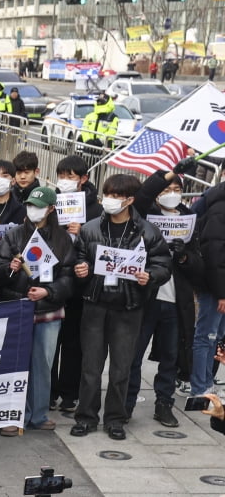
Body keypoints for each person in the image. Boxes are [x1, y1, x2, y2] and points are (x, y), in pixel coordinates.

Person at [70, 174, 171, 441]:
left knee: (121, 368)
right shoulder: (91, 228)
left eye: (116, 196)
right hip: (95, 304)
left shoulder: (147, 232)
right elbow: (78, 257)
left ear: (130, 200)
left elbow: (163, 265)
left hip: (129, 306)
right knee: (90, 366)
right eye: (108, 194)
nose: (110, 200)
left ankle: (115, 418)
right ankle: (86, 416)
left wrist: (150, 276)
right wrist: (80, 268)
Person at [0, 187, 75, 434]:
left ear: (50, 209)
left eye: (39, 206)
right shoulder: (14, 235)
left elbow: (69, 276)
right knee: (15, 364)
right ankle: (13, 415)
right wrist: (10, 268)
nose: (32, 210)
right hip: (17, 308)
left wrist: (49, 292)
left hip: (48, 311)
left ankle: (38, 414)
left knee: (43, 363)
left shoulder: (62, 239)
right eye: (30, 205)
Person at [125, 164, 202, 427]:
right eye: (167, 189)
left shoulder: (190, 217)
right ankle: (126, 403)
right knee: (134, 354)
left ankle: (164, 403)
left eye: (176, 189)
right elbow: (143, 194)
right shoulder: (147, 213)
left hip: (175, 300)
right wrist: (169, 174)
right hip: (146, 295)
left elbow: (197, 262)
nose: (171, 192)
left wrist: (183, 255)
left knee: (170, 355)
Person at [50, 155, 103, 412]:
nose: (66, 181)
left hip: (81, 283)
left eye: (71, 177)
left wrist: (81, 232)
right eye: (62, 176)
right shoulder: (50, 201)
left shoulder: (96, 209)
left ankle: (70, 392)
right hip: (53, 279)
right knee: (50, 340)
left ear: (84, 179)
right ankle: (48, 391)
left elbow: (103, 248)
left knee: (74, 341)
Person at [190, 175, 225, 405]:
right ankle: (199, 387)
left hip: (219, 286)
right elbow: (215, 252)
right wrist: (221, 292)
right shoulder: (219, 208)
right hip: (216, 286)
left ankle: (207, 381)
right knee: (206, 336)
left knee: (217, 336)